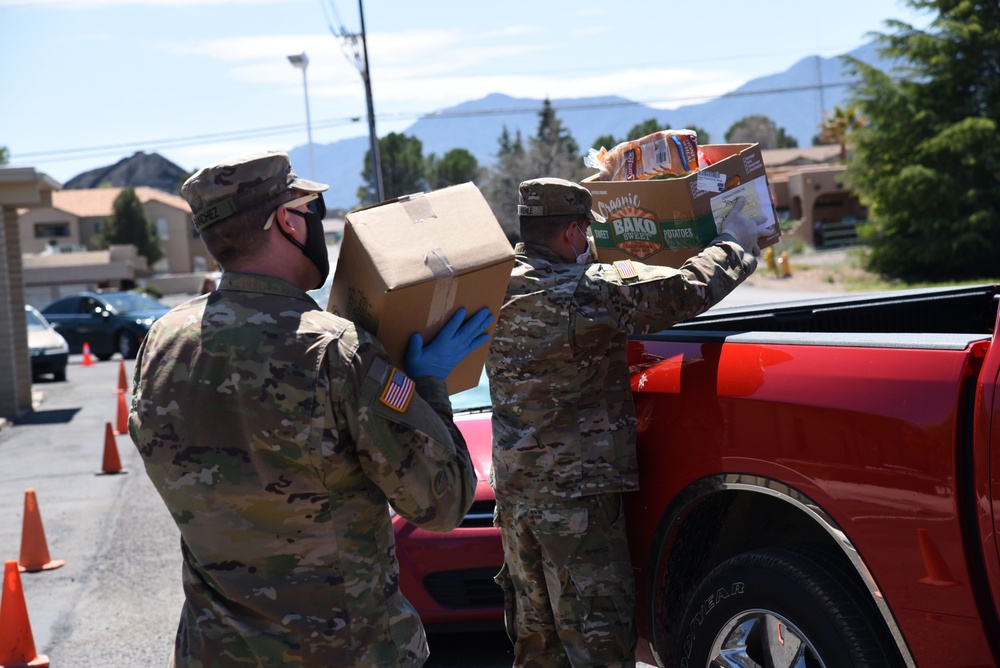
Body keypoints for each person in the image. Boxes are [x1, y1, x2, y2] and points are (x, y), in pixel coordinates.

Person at [128, 149, 493, 667]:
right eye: (314, 211)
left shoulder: (161, 342)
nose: (321, 226)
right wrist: (430, 385)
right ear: (287, 220)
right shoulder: (334, 350)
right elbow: (443, 502)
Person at [486, 177, 764, 667]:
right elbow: (686, 290)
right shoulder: (584, 291)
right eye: (586, 235)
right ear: (573, 233)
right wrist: (737, 245)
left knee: (537, 649)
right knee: (598, 647)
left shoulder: (491, 288)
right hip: (576, 506)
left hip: (516, 504)